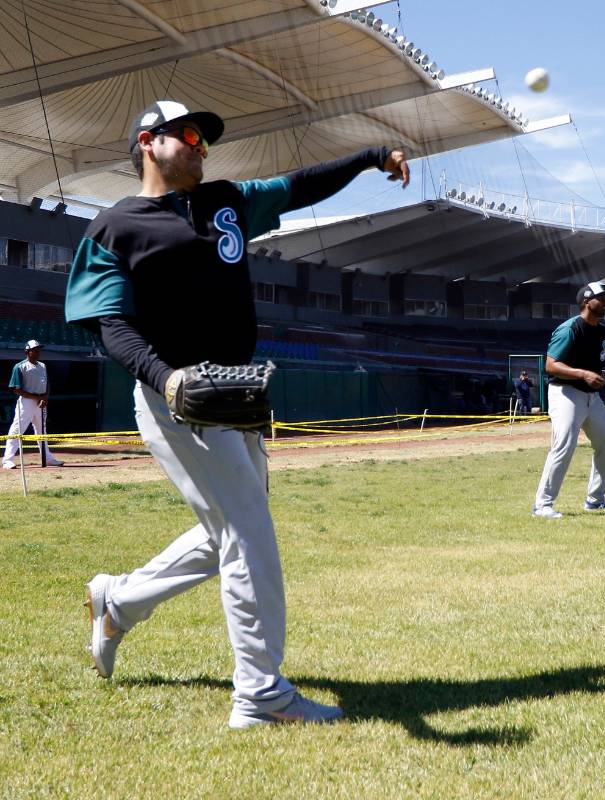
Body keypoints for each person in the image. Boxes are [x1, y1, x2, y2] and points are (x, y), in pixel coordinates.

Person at [64, 100, 411, 728]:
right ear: (149, 141)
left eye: (206, 140)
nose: (202, 146)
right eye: (189, 135)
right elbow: (108, 324)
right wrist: (166, 380)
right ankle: (260, 693)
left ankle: (117, 600)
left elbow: (298, 186)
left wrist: (368, 159)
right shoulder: (114, 227)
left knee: (227, 532)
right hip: (178, 395)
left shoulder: (224, 201)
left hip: (237, 391)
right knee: (249, 532)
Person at [532, 281, 605, 517]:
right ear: (587, 301)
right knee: (564, 445)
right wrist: (583, 373)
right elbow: (551, 365)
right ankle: (542, 504)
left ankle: (595, 499)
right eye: (601, 297)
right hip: (565, 393)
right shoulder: (570, 328)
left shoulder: (602, 331)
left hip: (591, 396)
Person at [4, 339, 64, 469]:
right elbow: (16, 389)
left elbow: (47, 384)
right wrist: (37, 398)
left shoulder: (43, 366)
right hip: (26, 402)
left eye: (39, 349)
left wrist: (45, 398)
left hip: (41, 402)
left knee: (42, 430)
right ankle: (7, 460)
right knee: (17, 429)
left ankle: (47, 458)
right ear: (27, 351)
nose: (38, 352)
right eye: (35, 350)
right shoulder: (20, 366)